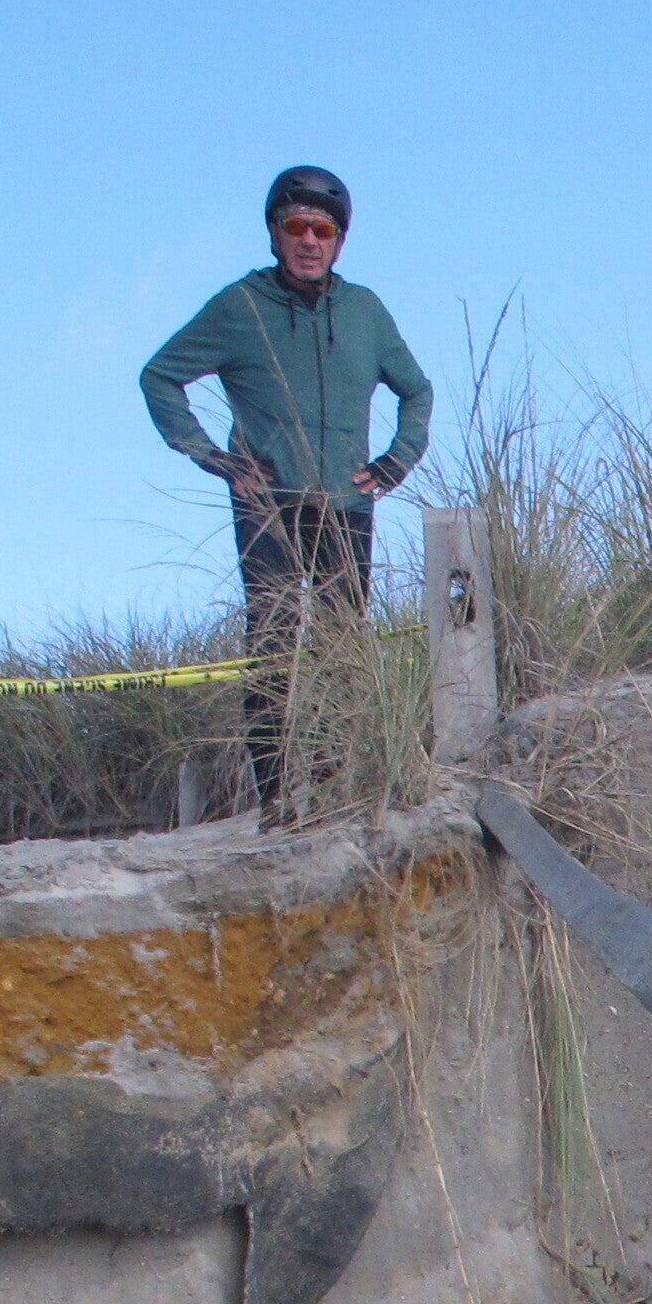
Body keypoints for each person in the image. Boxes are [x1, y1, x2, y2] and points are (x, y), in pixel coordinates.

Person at [140, 167, 433, 822]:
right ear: (274, 233)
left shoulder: (364, 311)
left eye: (322, 229)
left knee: (340, 646)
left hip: (347, 505)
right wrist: (211, 456)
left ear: (339, 241)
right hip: (268, 501)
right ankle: (276, 800)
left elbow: (417, 389)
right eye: (295, 226)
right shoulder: (239, 307)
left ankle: (331, 794)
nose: (308, 240)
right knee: (274, 641)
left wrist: (395, 462)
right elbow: (160, 377)